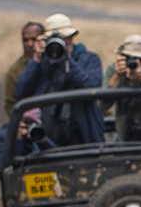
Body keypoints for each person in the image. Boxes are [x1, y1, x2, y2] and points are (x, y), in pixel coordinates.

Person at [14, 13, 104, 145]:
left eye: (64, 38)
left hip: (84, 136)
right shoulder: (41, 64)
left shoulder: (89, 59)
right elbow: (21, 92)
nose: (60, 42)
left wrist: (68, 60)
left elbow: (92, 86)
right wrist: (36, 59)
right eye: (54, 39)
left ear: (72, 37)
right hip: (47, 140)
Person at [0, 108, 57, 174]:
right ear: (16, 122)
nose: (29, 127)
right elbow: (5, 170)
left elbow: (58, 157)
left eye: (33, 123)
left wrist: (43, 141)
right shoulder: (1, 138)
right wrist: (19, 139)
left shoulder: (36, 136)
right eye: (26, 122)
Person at [5, 21, 43, 117]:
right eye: (26, 40)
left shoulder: (51, 63)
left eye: (34, 39)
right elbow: (10, 104)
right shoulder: (14, 71)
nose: (29, 44)